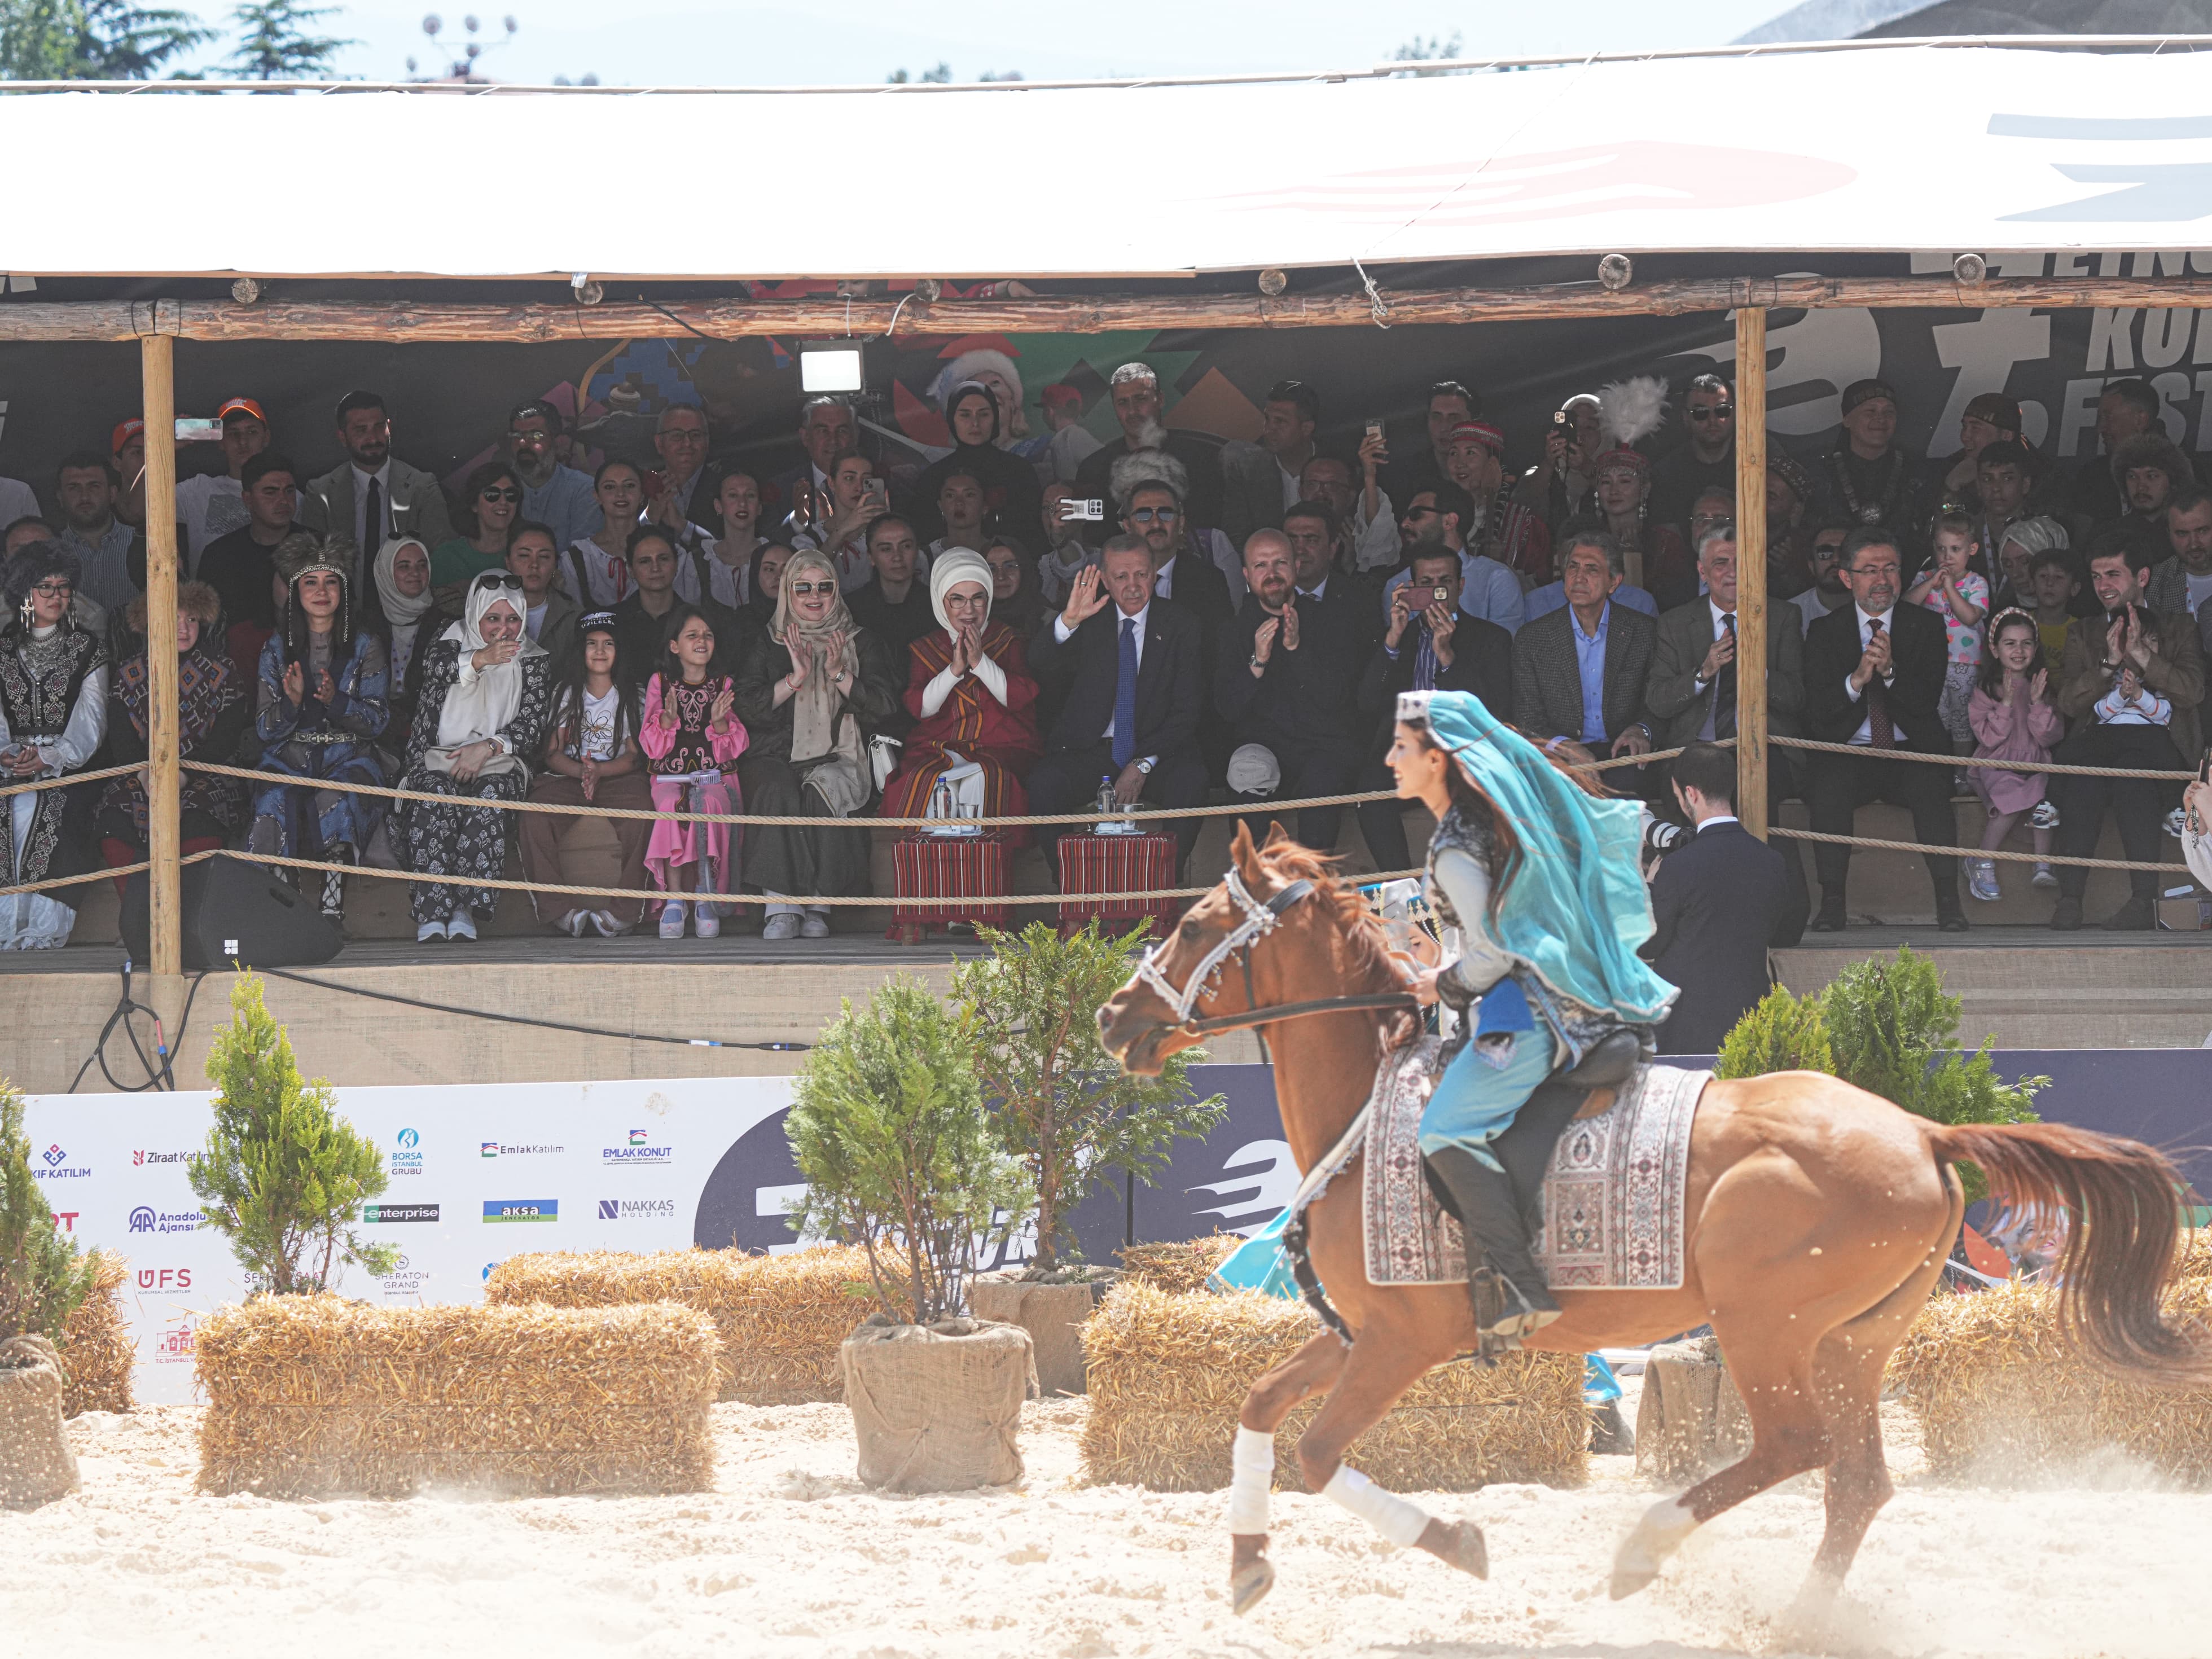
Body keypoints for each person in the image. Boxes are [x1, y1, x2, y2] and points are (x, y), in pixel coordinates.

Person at [1388, 688, 1675, 1336]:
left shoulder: (1456, 845)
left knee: (1442, 1132)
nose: (1389, 759)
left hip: (1528, 1016)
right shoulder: (1500, 823)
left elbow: (1493, 953)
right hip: (1575, 998)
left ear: (1436, 759)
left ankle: (1517, 1286)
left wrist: (1440, 985)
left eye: (1401, 747)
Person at [1640, 524, 1810, 934]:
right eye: (1720, 563)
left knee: (1759, 800)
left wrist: (1759, 671)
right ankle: (1697, 917)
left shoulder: (1782, 616)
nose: (1732, 571)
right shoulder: (1676, 623)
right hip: (1695, 748)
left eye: (1741, 562)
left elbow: (1797, 699)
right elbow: (1658, 701)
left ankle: (1782, 921)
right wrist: (1704, 672)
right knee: (1691, 807)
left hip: (1762, 749)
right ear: (1702, 571)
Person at [1801, 526, 1965, 932]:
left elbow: (1925, 703)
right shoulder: (1825, 630)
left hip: (1910, 747)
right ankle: (1832, 903)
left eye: (1890, 569)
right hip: (1850, 750)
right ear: (1847, 578)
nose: (1882, 580)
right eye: (1870, 570)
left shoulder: (1926, 625)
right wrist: (1857, 680)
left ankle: (1949, 901)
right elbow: (1819, 711)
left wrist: (1890, 672)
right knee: (1828, 788)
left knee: (1932, 789)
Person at [734, 547, 901, 940]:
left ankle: (817, 907)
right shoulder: (771, 640)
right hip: (775, 754)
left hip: (839, 755)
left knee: (822, 789)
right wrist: (795, 678)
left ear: (836, 591)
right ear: (787, 592)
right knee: (777, 790)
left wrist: (839, 673)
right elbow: (746, 707)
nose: (814, 596)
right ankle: (780, 909)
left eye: (824, 587)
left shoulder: (860, 641)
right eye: (803, 588)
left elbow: (884, 706)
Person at [2051, 534, 2206, 930]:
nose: (2103, 585)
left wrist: (2142, 655)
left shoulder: (2178, 627)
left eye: (2113, 574)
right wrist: (2108, 664)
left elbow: (2192, 692)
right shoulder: (2084, 631)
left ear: (2142, 577)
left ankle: (2142, 901)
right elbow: (2068, 704)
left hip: (2158, 749)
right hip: (2099, 746)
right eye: (2096, 576)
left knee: (2134, 782)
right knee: (2084, 785)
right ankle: (2069, 900)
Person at [1026, 536, 1208, 869]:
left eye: (1141, 574)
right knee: (1044, 783)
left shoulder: (1182, 624)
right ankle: (1068, 885)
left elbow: (1187, 711)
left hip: (1155, 751)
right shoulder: (1089, 617)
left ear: (1155, 573)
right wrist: (1069, 621)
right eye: (1121, 577)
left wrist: (1142, 764)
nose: (1133, 586)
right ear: (1106, 581)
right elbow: (1039, 663)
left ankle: (1166, 883)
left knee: (1191, 781)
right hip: (1091, 751)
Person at [400, 569, 551, 942]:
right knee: (435, 795)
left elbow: (531, 725)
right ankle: (433, 912)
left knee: (489, 795)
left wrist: (487, 748)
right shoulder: (448, 639)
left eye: (513, 619)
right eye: (493, 619)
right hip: (438, 757)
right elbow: (435, 670)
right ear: (474, 615)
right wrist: (481, 660)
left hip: (498, 759)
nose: (504, 629)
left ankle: (464, 908)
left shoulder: (533, 657)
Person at [248, 533, 390, 921]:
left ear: (344, 590)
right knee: (273, 798)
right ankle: (286, 908)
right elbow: (264, 728)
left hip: (350, 756)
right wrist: (292, 704)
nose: (322, 592)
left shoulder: (366, 645)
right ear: (296, 591)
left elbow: (377, 721)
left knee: (337, 797)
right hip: (289, 757)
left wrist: (336, 702)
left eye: (331, 582)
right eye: (311, 582)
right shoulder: (276, 648)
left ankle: (331, 909)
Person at [1355, 545, 1512, 872]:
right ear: (1412, 589)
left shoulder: (1490, 638)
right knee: (1370, 787)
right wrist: (1393, 638)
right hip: (1408, 754)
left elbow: (1494, 710)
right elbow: (1367, 703)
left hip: (1464, 753)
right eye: (1427, 584)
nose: (1437, 592)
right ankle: (1399, 882)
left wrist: (1447, 656)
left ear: (1461, 586)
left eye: (1445, 582)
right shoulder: (1400, 636)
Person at [1216, 528, 1369, 853]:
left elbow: (1336, 699)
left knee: (1323, 780)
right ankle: (1258, 881)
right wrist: (1258, 661)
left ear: (1296, 567)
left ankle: (1309, 883)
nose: (1271, 574)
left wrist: (1297, 648)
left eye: (1280, 563)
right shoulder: (1234, 629)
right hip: (1263, 746)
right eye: (1260, 566)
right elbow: (1228, 710)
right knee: (1247, 770)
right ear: (1246, 575)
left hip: (1322, 746)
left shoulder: (1332, 621)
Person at [1640, 741, 1794, 1056]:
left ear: (1690, 794)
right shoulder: (1772, 861)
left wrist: (1650, 885)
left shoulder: (1678, 866)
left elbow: (1647, 945)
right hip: (1752, 1023)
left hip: (1684, 1030)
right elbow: (1784, 931)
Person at [879, 547, 1043, 842]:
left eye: (978, 598)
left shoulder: (1007, 639)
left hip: (1000, 745)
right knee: (928, 781)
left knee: (983, 776)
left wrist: (980, 662)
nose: (969, 610)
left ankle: (979, 863)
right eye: (957, 599)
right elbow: (922, 709)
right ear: (941, 602)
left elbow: (1017, 698)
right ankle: (936, 865)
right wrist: (954, 670)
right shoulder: (926, 647)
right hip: (938, 746)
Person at [98, 581, 248, 894]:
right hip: (143, 776)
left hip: (208, 773)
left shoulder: (222, 670)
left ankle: (191, 907)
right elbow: (122, 741)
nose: (183, 628)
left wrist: (182, 775)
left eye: (191, 619)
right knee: (117, 806)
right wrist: (147, 777)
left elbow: (226, 739)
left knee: (199, 809)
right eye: (173, 617)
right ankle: (138, 907)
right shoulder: (129, 672)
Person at [0, 545, 107, 949]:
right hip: (10, 762)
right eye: (45, 586)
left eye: (63, 587)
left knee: (50, 810)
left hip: (70, 765)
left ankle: (39, 932)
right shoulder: (3, 650)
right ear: (24, 592)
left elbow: (93, 716)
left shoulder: (88, 648)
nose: (56, 596)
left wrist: (53, 755)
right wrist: (7, 753)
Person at [520, 611, 652, 937]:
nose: (600, 651)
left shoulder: (633, 694)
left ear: (620, 650)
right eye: (592, 644)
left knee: (645, 816)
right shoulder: (567, 692)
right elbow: (553, 753)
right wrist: (583, 772)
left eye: (609, 644)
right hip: (569, 775)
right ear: (580, 650)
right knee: (533, 817)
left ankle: (625, 912)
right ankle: (559, 911)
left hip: (619, 776)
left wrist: (600, 771)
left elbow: (633, 756)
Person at [640, 603, 748, 940]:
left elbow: (735, 746)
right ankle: (674, 899)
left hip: (715, 774)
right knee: (669, 806)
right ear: (674, 646)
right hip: (668, 774)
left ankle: (705, 893)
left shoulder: (724, 684)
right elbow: (652, 746)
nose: (702, 641)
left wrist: (719, 723)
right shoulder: (660, 683)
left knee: (710, 804)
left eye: (708, 635)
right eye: (692, 635)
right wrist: (667, 720)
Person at [1509, 530, 1658, 764]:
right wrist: (1565, 747)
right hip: (1561, 756)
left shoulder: (1643, 632)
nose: (1579, 577)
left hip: (1624, 753)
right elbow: (1527, 718)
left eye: (1592, 569)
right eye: (1573, 567)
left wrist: (1641, 730)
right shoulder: (1533, 638)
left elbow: (1658, 702)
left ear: (1614, 582)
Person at [1964, 609, 2064, 903]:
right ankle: (1981, 860)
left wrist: (2037, 702)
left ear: (2036, 648)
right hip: (1998, 765)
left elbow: (2049, 736)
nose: (2019, 651)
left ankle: (2043, 863)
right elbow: (1988, 738)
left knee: (2046, 802)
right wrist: (2006, 703)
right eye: (2010, 643)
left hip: (2036, 763)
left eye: (2026, 643)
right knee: (2009, 800)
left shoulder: (2042, 687)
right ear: (1995, 649)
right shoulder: (1985, 690)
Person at [1071, 362, 1224, 544]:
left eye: (1140, 399)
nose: (1132, 411)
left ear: (1160, 399)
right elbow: (1089, 540)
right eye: (1123, 402)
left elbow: (1211, 527)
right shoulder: (1093, 469)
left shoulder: (1199, 459)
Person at [300, 389, 455, 568]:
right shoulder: (321, 493)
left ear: (389, 427)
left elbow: (442, 556)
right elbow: (312, 564)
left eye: (379, 427)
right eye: (361, 430)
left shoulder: (422, 486)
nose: (373, 438)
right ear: (343, 437)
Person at [1382, 482, 1524, 635]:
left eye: (1416, 514)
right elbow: (1398, 646)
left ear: (1449, 521)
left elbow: (1504, 644)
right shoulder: (1398, 585)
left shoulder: (1496, 578)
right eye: (1405, 516)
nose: (1404, 524)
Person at [912, 383, 1042, 547]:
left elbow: (1035, 533)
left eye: (984, 414)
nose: (975, 423)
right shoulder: (933, 477)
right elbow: (924, 537)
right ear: (952, 419)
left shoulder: (1020, 471)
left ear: (995, 418)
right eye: (965, 415)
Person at [1903, 512, 1991, 749]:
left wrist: (1950, 588)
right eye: (1941, 548)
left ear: (1972, 549)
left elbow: (1970, 617)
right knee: (1935, 719)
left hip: (1965, 665)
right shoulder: (1924, 578)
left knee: (1962, 722)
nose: (1947, 556)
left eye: (1955, 549)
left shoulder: (1977, 583)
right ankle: (1939, 767)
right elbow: (1905, 609)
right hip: (1930, 662)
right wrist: (1930, 584)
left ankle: (1960, 769)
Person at [1117, 451, 1241, 618]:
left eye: (1166, 514)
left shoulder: (1209, 580)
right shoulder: (1108, 580)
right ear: (1128, 526)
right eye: (1143, 515)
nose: (1156, 524)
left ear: (1181, 523)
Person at [1819, 380, 1926, 559]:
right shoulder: (1821, 473)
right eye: (1870, 411)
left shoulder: (1917, 471)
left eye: (1889, 412)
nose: (1881, 419)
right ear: (1847, 419)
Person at [198, 450, 300, 638]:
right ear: (248, 499)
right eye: (270, 492)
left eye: (289, 491)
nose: (283, 500)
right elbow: (206, 627)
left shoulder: (319, 549)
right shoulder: (219, 556)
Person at [1590, 445, 1695, 611]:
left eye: (1624, 481)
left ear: (1645, 489)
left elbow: (1677, 602)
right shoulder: (1588, 543)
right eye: (1606, 482)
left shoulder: (1666, 543)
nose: (1614, 491)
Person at [1219, 378, 1319, 549]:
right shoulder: (1248, 470)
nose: (1268, 429)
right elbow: (1236, 539)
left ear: (1306, 428)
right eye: (1267, 419)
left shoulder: (1335, 469)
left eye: (1280, 421)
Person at [178, 396, 271, 569]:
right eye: (233, 433)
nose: (242, 441)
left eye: (252, 432)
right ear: (220, 441)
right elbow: (139, 510)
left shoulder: (287, 495)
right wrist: (162, 445)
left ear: (266, 438)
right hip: (207, 587)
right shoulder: (197, 490)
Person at [2062, 377, 2158, 539]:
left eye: (2108, 417)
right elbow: (2081, 543)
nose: (2100, 428)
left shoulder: (2183, 472)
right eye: (2100, 418)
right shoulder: (2093, 475)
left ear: (2140, 420)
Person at [1648, 374, 1736, 539]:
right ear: (1686, 418)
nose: (1712, 420)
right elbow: (1668, 541)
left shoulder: (1758, 458)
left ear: (1735, 412)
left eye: (1722, 410)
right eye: (1700, 413)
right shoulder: (1666, 473)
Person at [507, 401, 602, 553]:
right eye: (517, 435)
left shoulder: (583, 490)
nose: (523, 443)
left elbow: (581, 558)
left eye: (535, 436)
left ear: (557, 441)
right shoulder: (497, 489)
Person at [53, 450, 139, 615]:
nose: (85, 497)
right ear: (60, 498)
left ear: (113, 494)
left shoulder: (144, 544)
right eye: (74, 488)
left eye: (94, 486)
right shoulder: (50, 551)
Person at [371, 534, 436, 745]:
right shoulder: (365, 624)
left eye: (422, 565)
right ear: (386, 571)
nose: (415, 573)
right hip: (372, 728)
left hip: (428, 732)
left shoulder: (444, 623)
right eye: (404, 566)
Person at [845, 513, 937, 661]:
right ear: (871, 557)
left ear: (917, 551)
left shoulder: (938, 607)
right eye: (886, 549)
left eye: (906, 546)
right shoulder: (851, 610)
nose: (897, 557)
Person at [1513, 392, 1603, 542]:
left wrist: (1586, 467)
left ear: (1605, 434)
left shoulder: (1621, 474)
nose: (1579, 435)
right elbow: (1520, 505)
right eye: (1572, 427)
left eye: (1590, 427)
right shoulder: (1544, 474)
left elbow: (1617, 493)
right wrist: (1549, 463)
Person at [793, 450, 886, 591]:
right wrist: (843, 530)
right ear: (831, 483)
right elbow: (805, 581)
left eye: (867, 480)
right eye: (849, 478)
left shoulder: (881, 533)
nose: (859, 487)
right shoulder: (812, 538)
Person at [561, 458, 648, 609]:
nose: (621, 493)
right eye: (610, 487)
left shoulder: (666, 552)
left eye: (630, 485)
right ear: (597, 496)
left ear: (642, 495)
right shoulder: (577, 558)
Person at [681, 467, 764, 612]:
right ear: (718, 506)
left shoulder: (775, 556)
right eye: (733, 495)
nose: (742, 503)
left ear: (759, 508)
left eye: (750, 496)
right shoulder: (698, 562)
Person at [611, 526, 689, 680]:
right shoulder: (613, 622)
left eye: (663, 559)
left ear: (676, 564)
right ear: (631, 570)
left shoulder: (696, 621)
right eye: (645, 561)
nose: (655, 568)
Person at [1930, 392, 2025, 517]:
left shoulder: (2039, 478)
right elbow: (1943, 522)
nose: (1965, 437)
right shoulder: (1953, 466)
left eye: (1975, 428)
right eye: (1965, 427)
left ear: (2006, 435)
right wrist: (1951, 487)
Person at [429, 461, 523, 589]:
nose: (503, 502)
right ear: (474, 504)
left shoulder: (529, 554)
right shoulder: (445, 557)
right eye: (492, 494)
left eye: (511, 494)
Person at [505, 521, 580, 664]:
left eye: (544, 556)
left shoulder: (574, 617)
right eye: (524, 556)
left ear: (555, 564)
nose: (534, 564)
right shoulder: (487, 614)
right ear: (508, 562)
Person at [646, 405, 715, 538]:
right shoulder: (640, 488)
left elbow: (734, 546)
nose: (687, 443)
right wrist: (650, 518)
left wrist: (682, 526)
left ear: (707, 442)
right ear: (659, 443)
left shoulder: (728, 488)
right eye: (677, 435)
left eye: (696, 435)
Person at [2148, 486, 2212, 624]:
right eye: (2182, 534)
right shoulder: (2157, 582)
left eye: (2202, 531)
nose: (2194, 544)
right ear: (2168, 533)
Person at [2110, 430, 2193, 534]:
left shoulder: (2193, 534)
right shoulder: (2109, 535)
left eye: (2152, 476)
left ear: (2173, 482)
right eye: (2132, 476)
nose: (2140, 487)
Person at [1788, 521, 1853, 637]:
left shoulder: (1878, 609)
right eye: (1825, 553)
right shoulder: (1791, 613)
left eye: (1844, 553)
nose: (1836, 560)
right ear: (1811, 565)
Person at [984, 536, 1046, 639]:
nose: (1001, 577)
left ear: (1024, 571)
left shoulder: (1048, 619)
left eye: (1010, 566)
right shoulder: (971, 619)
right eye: (991, 569)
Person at [928, 467, 991, 558]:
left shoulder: (1002, 554)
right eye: (950, 495)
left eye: (969, 495)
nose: (959, 503)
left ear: (985, 506)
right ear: (940, 506)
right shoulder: (925, 557)